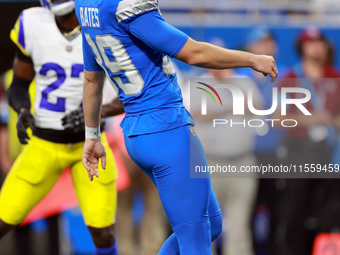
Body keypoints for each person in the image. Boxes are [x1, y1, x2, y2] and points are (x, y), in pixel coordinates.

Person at [76, 0, 278, 254]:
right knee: (196, 239)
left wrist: (92, 135)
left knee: (211, 224)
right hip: (166, 129)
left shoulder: (86, 6)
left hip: (140, 131)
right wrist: (250, 58)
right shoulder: (125, 6)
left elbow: (92, 79)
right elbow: (193, 53)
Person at [0, 1, 120, 254]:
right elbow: (19, 85)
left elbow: (134, 92)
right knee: (3, 219)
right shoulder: (33, 23)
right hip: (43, 143)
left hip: (89, 144)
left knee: (103, 232)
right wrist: (22, 110)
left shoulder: (104, 23)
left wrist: (95, 113)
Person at [274, 28, 340, 255]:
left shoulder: (335, 76)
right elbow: (277, 119)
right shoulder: (290, 79)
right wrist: (311, 119)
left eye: (319, 42)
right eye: (310, 43)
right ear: (302, 47)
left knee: (328, 211)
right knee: (294, 209)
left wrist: (334, 121)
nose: (316, 47)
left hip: (329, 151)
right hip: (299, 151)